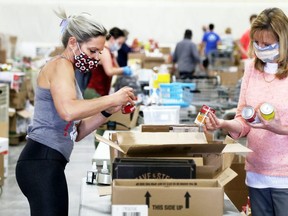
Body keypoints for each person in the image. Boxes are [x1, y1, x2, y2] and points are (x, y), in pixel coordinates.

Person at [15, 9, 136, 216]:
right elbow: (69, 111)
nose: (97, 58)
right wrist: (111, 98)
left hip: (49, 161)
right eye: (92, 51)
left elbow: (76, 131)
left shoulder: (68, 70)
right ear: (73, 43)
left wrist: (107, 111)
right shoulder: (60, 66)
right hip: (41, 161)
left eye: (100, 52)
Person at [204, 8, 288, 216]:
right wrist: (224, 124)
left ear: (283, 40)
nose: (260, 48)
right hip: (256, 174)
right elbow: (243, 118)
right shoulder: (251, 68)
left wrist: (280, 128)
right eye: (257, 43)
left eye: (267, 44)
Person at [84, 27, 132, 98]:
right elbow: (109, 71)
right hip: (95, 92)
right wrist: (124, 70)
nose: (120, 46)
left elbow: (116, 68)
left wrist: (124, 70)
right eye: (119, 43)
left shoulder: (110, 53)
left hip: (102, 92)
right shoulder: (104, 51)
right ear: (112, 39)